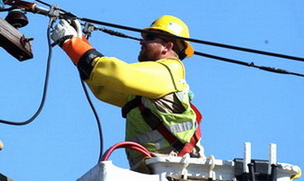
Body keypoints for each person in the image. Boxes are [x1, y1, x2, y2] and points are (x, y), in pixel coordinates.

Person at [51, 15, 204, 172]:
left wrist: (71, 43)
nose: (141, 41)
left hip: (172, 170)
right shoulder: (149, 88)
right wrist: (80, 44)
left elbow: (119, 74)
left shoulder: (168, 71)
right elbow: (104, 88)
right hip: (158, 170)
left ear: (167, 46)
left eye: (150, 37)